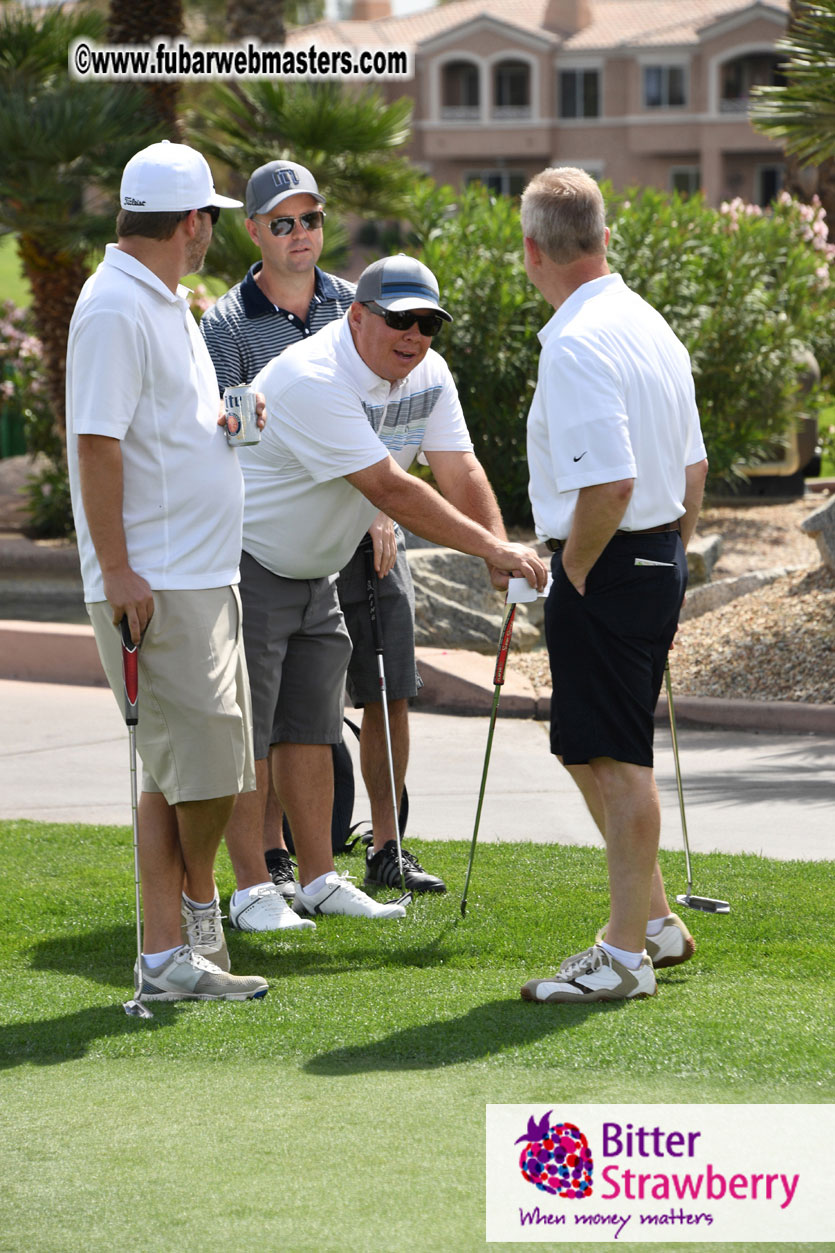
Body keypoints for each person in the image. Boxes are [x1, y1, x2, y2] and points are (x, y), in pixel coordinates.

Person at [229, 251, 547, 923]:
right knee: (248, 737)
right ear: (356, 315)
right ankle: (253, 887)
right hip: (247, 558)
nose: (414, 335)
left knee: (309, 730)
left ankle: (316, 878)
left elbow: (456, 467)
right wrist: (492, 546)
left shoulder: (425, 373)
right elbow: (390, 488)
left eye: (428, 322)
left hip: (315, 565)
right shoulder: (316, 376)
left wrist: (495, 547)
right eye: (399, 318)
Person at [65, 140, 269, 1002]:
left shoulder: (163, 302)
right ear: (191, 223)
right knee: (211, 766)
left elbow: (152, 428)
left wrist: (225, 421)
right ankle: (193, 915)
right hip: (157, 581)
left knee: (176, 770)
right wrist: (118, 569)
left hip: (195, 574)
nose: (210, 233)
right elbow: (96, 442)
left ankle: (164, 959)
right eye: (210, 220)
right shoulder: (115, 307)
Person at [518, 167, 708, 1004]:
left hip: (610, 559)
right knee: (588, 749)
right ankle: (655, 920)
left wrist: (574, 570)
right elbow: (693, 468)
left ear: (533, 251)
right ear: (600, 237)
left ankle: (624, 954)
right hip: (652, 555)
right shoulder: (647, 324)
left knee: (615, 759)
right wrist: (667, 555)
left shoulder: (574, 339)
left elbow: (608, 487)